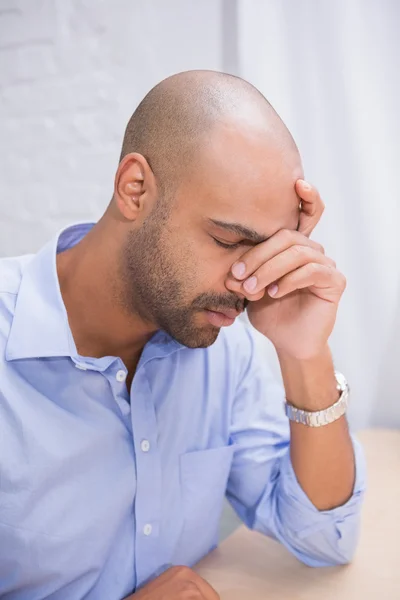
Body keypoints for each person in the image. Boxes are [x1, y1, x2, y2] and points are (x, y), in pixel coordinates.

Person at [0, 70, 365, 600]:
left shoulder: (223, 343)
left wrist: (304, 353)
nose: (250, 281)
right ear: (135, 188)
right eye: (227, 240)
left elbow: (322, 536)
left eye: (269, 250)